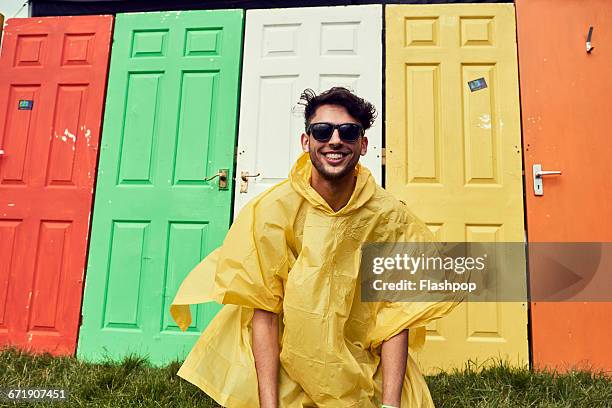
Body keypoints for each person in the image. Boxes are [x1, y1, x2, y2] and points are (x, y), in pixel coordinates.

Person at [170, 87, 458, 407]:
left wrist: (390, 405)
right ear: (307, 142)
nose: (335, 140)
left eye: (348, 132)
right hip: (287, 360)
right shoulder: (273, 211)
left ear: (362, 145)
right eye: (322, 131)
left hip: (359, 359)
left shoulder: (389, 217)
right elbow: (264, 307)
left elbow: (397, 314)